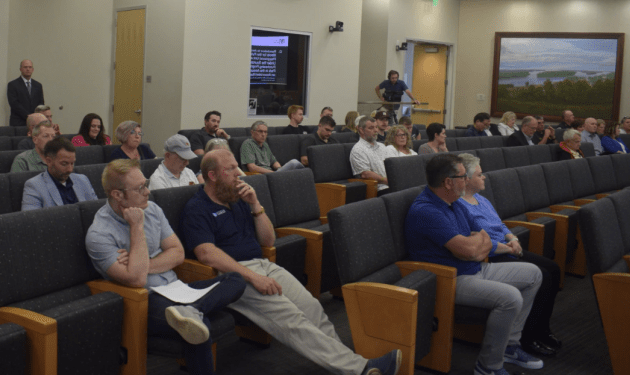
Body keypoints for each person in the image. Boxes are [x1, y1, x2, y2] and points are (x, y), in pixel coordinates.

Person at [180, 149, 402, 375]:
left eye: (237, 166)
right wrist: (254, 277)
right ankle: (360, 369)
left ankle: (346, 365)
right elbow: (206, 254)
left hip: (262, 264)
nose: (239, 173)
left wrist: (256, 205)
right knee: (291, 318)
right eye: (231, 169)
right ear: (212, 175)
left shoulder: (237, 198)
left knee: (311, 307)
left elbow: (268, 240)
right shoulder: (197, 208)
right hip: (232, 276)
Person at [85, 159, 247, 375]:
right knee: (199, 327)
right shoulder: (99, 234)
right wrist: (136, 226)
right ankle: (193, 313)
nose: (147, 192)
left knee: (235, 279)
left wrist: (139, 262)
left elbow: (178, 253)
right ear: (117, 195)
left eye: (146, 184)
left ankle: (192, 310)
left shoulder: (152, 209)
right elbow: (137, 280)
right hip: (144, 301)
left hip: (176, 289)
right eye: (140, 188)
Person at [405, 154, 543, 375]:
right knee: (511, 298)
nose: (466, 180)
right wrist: (474, 248)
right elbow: (469, 250)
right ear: (448, 182)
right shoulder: (426, 210)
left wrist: (475, 247)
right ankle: (488, 366)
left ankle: (509, 345)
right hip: (451, 279)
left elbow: (483, 237)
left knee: (533, 274)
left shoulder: (455, 203)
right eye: (462, 177)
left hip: (475, 267)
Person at [454, 154, 562, 358]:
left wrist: (513, 237)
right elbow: (476, 241)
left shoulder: (481, 199)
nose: (484, 177)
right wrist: (508, 248)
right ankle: (528, 337)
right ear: (466, 179)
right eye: (479, 174)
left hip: (508, 246)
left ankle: (542, 329)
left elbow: (500, 224)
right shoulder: (460, 205)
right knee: (544, 275)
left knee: (553, 269)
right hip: (492, 254)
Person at [22, 137, 98, 210]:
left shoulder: (83, 180)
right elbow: (31, 218)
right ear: (48, 161)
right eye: (64, 164)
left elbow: (96, 210)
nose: (70, 169)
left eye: (72, 163)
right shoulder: (34, 186)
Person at [350, 116, 389, 194]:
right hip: (379, 188)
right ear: (361, 130)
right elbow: (365, 174)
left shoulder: (382, 146)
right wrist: (389, 181)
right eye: (371, 128)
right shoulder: (358, 150)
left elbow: (392, 165)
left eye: (376, 127)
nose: (376, 130)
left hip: (392, 185)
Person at [7, 59, 44, 126]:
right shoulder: (12, 85)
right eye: (25, 67)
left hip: (35, 122)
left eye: (30, 67)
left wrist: (36, 117)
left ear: (33, 69)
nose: (28, 69)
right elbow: (14, 104)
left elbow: (41, 103)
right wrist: (29, 116)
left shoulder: (38, 85)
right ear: (20, 69)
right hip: (18, 122)